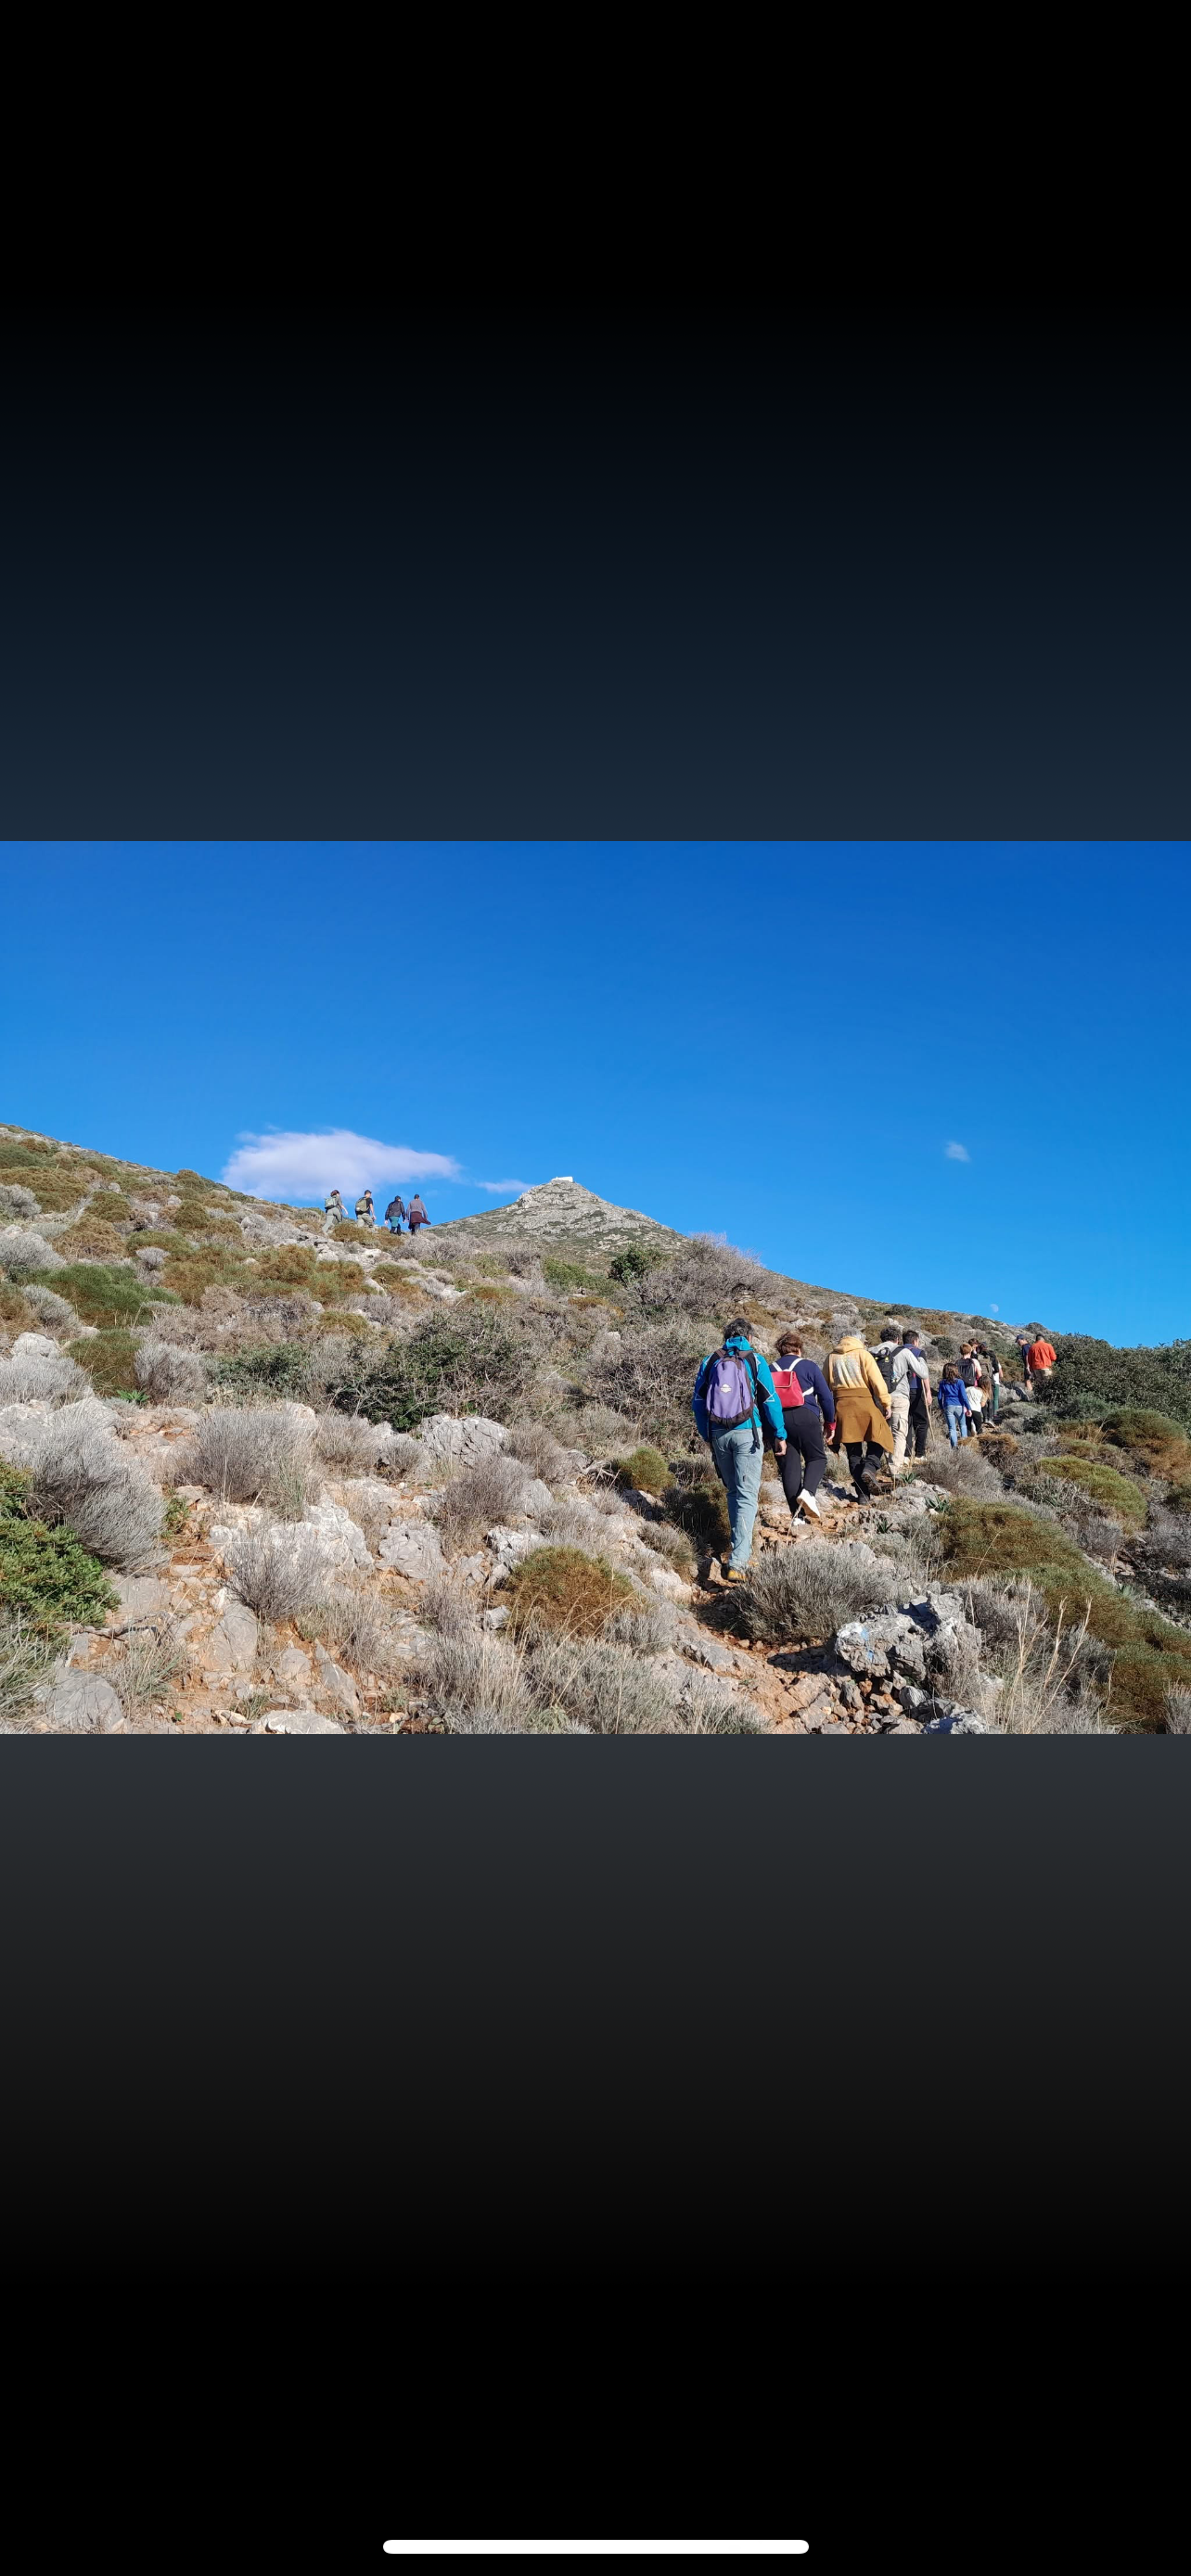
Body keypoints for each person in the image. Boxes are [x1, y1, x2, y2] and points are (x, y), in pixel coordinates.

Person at [692, 1320, 788, 1581]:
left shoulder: (710, 1360)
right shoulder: (755, 1360)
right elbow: (770, 1400)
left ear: (726, 1337)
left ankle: (740, 1550)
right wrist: (779, 1434)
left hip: (718, 1433)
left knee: (734, 1492)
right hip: (748, 1433)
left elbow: (698, 1402)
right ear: (750, 1338)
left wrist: (707, 1435)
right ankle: (738, 1562)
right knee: (747, 1495)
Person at [771, 1333, 835, 1521]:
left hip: (780, 1421)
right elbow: (826, 1397)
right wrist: (830, 1423)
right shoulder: (808, 1366)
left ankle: (797, 1518)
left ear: (780, 1350)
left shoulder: (769, 1369)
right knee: (817, 1458)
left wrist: (770, 1431)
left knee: (789, 1467)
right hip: (806, 1416)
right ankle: (808, 1492)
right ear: (799, 1349)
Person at [825, 1331, 894, 1501]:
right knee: (879, 1437)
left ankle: (863, 1496)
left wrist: (827, 1412)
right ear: (859, 1340)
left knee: (853, 1451)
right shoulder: (863, 1355)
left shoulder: (831, 1357)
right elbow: (877, 1381)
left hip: (841, 1406)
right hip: (864, 1403)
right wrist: (886, 1403)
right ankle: (870, 1467)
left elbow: (824, 1385)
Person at [903, 1331, 932, 1461]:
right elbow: (924, 1372)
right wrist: (928, 1392)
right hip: (917, 1390)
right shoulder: (919, 1352)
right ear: (915, 1341)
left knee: (906, 1423)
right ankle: (920, 1454)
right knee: (921, 1422)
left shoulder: (897, 1351)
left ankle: (906, 1454)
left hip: (901, 1391)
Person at [937, 1360, 972, 1447]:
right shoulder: (960, 1382)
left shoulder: (942, 1383)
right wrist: (968, 1408)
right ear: (955, 1371)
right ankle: (964, 1446)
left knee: (952, 1428)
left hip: (948, 1405)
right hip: (959, 1405)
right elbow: (964, 1396)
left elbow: (940, 1397)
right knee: (963, 1425)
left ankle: (954, 1447)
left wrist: (941, 1408)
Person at [961, 1344, 985, 1436]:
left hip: (962, 1388)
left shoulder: (957, 1362)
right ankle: (976, 1430)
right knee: (974, 1407)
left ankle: (967, 1433)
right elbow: (979, 1375)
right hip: (973, 1387)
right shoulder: (974, 1361)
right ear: (970, 1351)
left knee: (965, 1410)